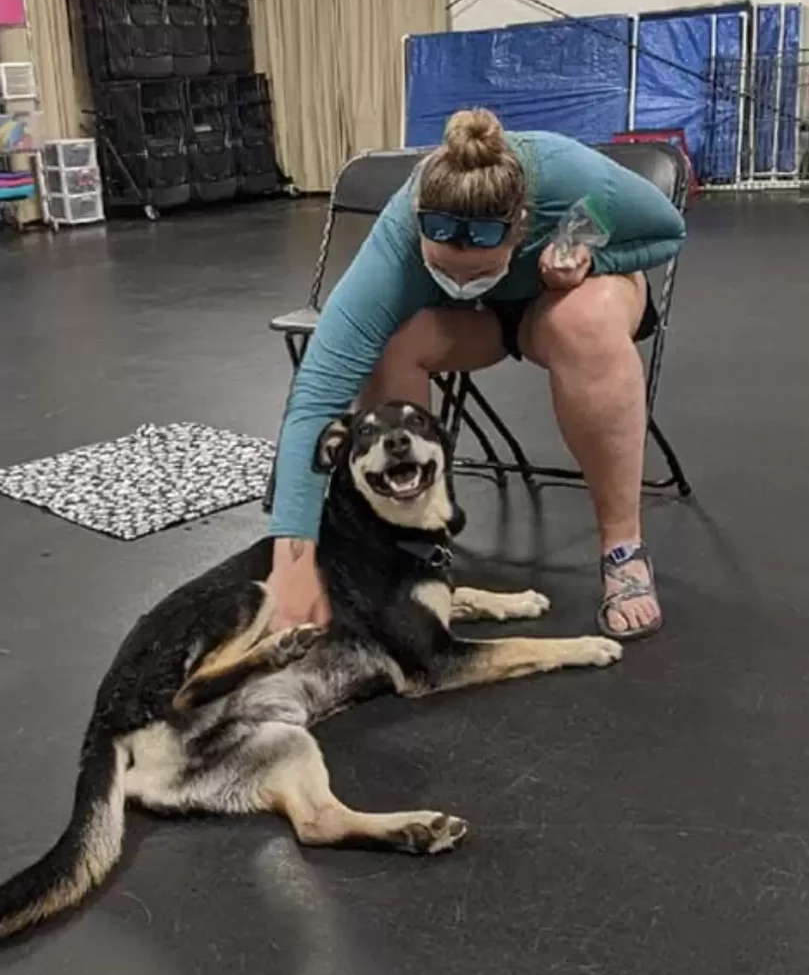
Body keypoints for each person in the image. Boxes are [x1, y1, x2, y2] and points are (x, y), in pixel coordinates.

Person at [266, 108, 686, 640]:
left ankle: (623, 548)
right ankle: (411, 546)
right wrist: (293, 557)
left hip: (565, 299)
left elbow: (669, 230)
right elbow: (317, 396)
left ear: (523, 225)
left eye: (479, 270)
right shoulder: (396, 242)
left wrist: (590, 257)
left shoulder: (572, 175)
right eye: (443, 269)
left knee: (583, 319)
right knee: (390, 340)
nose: (462, 280)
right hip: (478, 327)